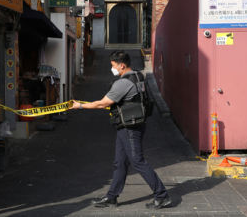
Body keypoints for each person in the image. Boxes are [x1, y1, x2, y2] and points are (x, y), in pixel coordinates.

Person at [70, 51, 171, 209]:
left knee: (137, 161)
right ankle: (112, 197)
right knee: (120, 162)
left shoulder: (123, 83)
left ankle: (162, 195)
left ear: (122, 65)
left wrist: (80, 105)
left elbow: (102, 104)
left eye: (113, 66)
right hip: (132, 124)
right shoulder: (138, 76)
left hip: (130, 127)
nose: (112, 69)